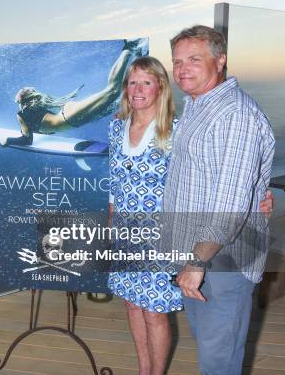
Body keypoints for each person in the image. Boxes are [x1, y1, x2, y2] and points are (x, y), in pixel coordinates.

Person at [164, 25, 275, 375]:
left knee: (219, 358)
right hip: (197, 253)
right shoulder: (197, 105)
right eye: (177, 61)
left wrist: (196, 263)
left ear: (220, 59)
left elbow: (228, 207)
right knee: (210, 345)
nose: (182, 69)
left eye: (194, 59)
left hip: (221, 257)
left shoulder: (234, 115)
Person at [107, 56, 181, 375]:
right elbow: (113, 180)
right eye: (132, 82)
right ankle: (143, 370)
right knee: (132, 303)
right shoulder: (116, 126)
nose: (137, 89)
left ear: (160, 87)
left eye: (146, 82)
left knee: (155, 311)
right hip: (124, 233)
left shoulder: (174, 131)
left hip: (159, 237)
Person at [1, 38, 147, 146]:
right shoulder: (33, 110)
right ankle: (139, 57)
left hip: (70, 118)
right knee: (115, 103)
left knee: (112, 91)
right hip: (70, 116)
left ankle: (129, 47)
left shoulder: (21, 115)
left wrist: (7, 140)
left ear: (20, 101)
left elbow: (27, 140)